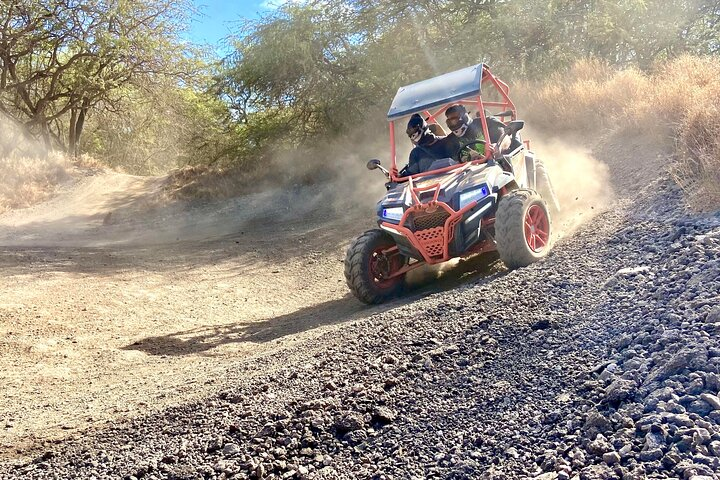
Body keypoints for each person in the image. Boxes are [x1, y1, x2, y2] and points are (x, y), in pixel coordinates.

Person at [444, 104, 509, 162]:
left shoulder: (486, 122)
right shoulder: (451, 139)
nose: (452, 124)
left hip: (497, 164)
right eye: (449, 122)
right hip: (470, 171)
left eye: (454, 120)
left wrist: (498, 147)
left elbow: (506, 138)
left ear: (464, 117)